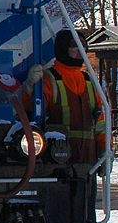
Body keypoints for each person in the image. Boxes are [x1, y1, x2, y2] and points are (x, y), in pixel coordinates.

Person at [31, 30, 106, 164]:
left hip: (87, 161)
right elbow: (31, 114)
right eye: (74, 47)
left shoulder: (89, 82)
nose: (79, 51)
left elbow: (100, 125)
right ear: (62, 49)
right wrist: (30, 87)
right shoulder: (49, 80)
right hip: (55, 162)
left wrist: (105, 152)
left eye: (83, 47)